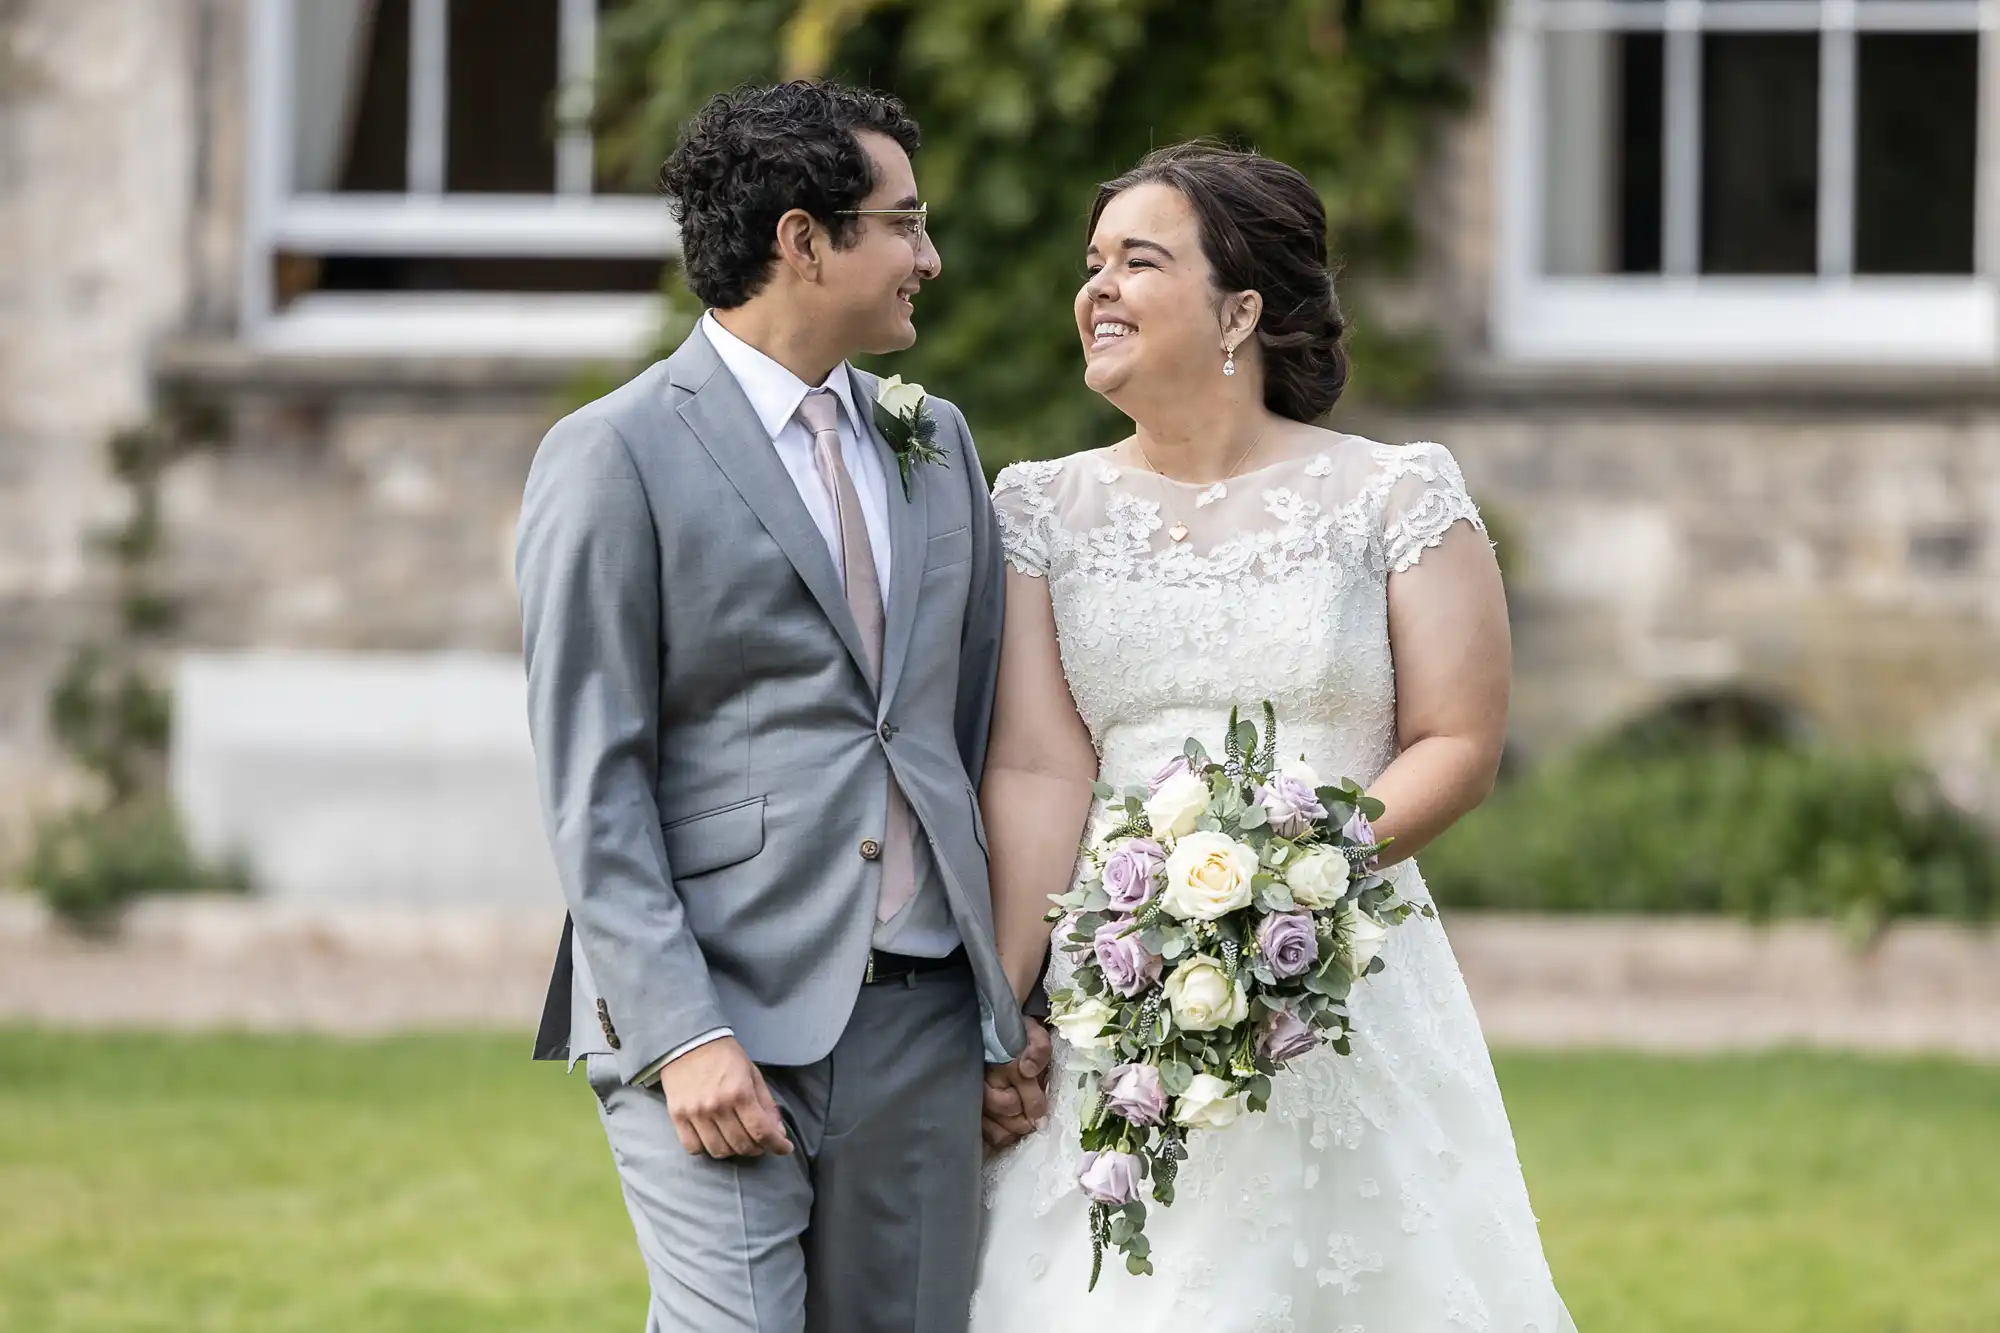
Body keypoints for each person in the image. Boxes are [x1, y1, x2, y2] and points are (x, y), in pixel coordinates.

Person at [970, 143, 1577, 1331]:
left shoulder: (1394, 493)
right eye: (1089, 263)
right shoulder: (1034, 507)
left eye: (1137, 261)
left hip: (1341, 967)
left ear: (1239, 307)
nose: (1094, 288)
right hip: (1117, 975)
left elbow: (1455, 740)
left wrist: (1283, 886)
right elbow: (1038, 768)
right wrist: (1005, 1010)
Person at [515, 80, 1048, 1333]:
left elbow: (965, 734)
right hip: (715, 1008)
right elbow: (594, 778)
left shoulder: (936, 441)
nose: (930, 256)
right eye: (903, 224)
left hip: (916, 1014)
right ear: (804, 240)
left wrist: (996, 1006)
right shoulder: (612, 453)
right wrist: (677, 1032)